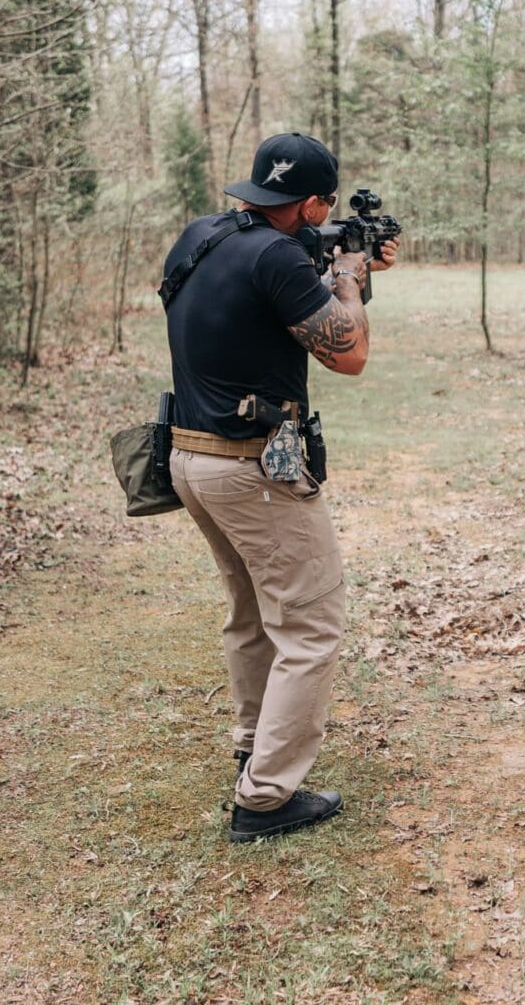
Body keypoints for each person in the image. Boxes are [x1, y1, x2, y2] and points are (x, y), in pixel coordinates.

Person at [161, 132, 399, 843]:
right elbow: (348, 354)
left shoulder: (202, 238)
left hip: (190, 455)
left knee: (251, 613)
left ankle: (252, 746)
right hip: (253, 467)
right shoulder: (280, 257)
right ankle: (265, 798)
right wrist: (350, 278)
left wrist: (336, 265)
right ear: (316, 202)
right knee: (311, 624)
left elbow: (256, 314)